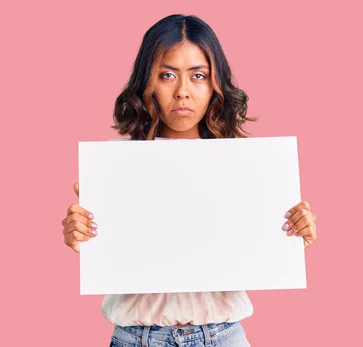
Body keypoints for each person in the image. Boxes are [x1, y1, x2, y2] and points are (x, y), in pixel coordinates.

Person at [60, 14, 318, 347]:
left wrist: (293, 235)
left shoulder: (248, 166)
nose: (183, 92)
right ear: (148, 82)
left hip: (223, 336)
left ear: (215, 84)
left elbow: (255, 249)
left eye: (198, 75)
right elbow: (115, 252)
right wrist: (84, 235)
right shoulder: (115, 165)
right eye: (167, 75)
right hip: (137, 339)